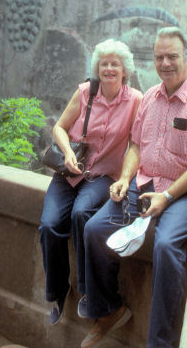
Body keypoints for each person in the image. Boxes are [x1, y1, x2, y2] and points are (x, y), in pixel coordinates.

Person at [81, 27, 187, 348]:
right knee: (94, 229)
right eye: (159, 56)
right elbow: (136, 145)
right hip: (144, 186)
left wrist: (168, 196)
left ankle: (164, 344)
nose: (165, 63)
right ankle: (107, 309)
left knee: (165, 245)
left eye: (172, 56)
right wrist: (124, 177)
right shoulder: (149, 97)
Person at [38, 38, 143, 326]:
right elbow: (59, 126)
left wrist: (125, 177)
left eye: (115, 64)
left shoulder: (135, 100)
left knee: (81, 213)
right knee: (49, 225)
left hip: (102, 176)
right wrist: (69, 152)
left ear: (125, 70)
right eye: (104, 63)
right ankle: (58, 291)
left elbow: (136, 144)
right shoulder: (85, 92)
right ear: (97, 67)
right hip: (69, 171)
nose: (109, 68)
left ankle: (88, 291)